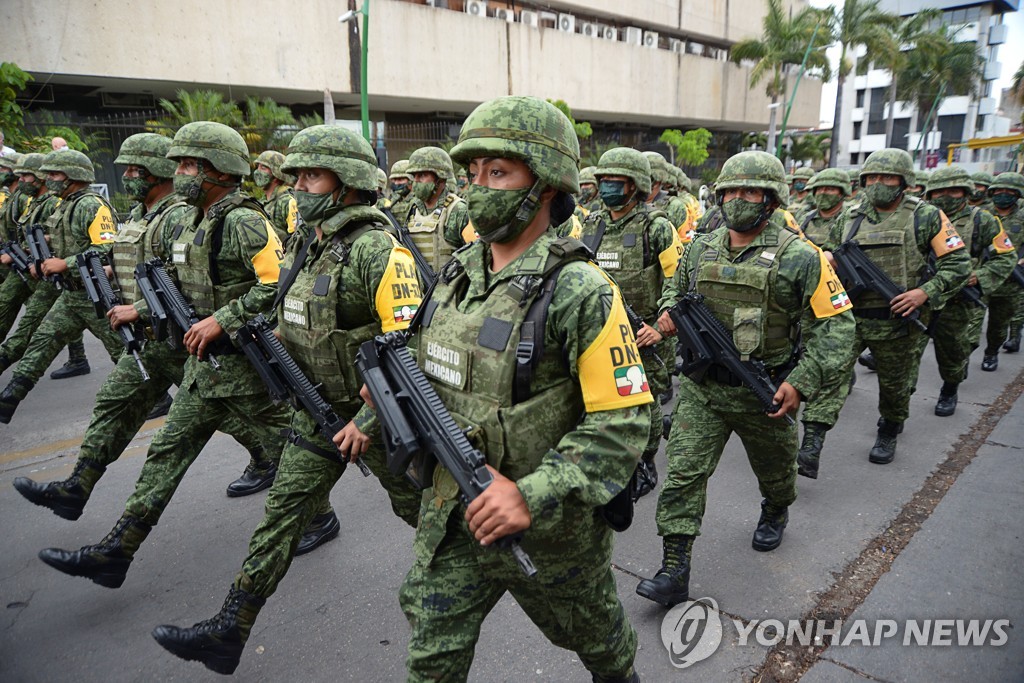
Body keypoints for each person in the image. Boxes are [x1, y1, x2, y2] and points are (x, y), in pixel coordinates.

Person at [390, 96, 652, 682]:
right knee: (430, 658)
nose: (478, 187)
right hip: (455, 513)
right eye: (473, 173)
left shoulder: (581, 290)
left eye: (499, 173)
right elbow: (418, 355)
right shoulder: (458, 273)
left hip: (552, 533)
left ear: (546, 186)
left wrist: (529, 494)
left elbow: (625, 421)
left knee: (605, 652)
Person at [150, 124, 424, 675]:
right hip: (315, 413)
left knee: (427, 514)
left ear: (346, 184)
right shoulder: (308, 242)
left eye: (312, 175)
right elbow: (279, 306)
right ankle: (231, 628)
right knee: (280, 517)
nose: (299, 185)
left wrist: (368, 419)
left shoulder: (379, 251)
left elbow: (408, 346)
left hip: (378, 424)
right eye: (295, 175)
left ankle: (504, 565)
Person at [34, 121, 296, 589]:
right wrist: (137, 309)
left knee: (293, 456)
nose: (180, 173)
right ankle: (117, 551)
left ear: (221, 169)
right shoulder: (195, 218)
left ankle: (318, 518)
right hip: (200, 366)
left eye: (191, 164)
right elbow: (179, 285)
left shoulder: (244, 220)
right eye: (177, 164)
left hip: (244, 370)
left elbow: (278, 284)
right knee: (165, 454)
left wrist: (225, 318)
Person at [637, 150, 855, 608]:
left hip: (765, 392)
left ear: (771, 199)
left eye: (750, 191)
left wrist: (800, 383)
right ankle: (673, 568)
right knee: (681, 477)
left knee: (776, 475)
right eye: (731, 191)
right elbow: (677, 291)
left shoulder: (801, 256)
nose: (738, 199)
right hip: (704, 389)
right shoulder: (700, 246)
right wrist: (666, 319)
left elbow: (836, 327)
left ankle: (775, 510)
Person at [830, 149, 970, 462]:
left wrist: (924, 292)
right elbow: (829, 258)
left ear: (904, 181)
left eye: (887, 177)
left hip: (898, 320)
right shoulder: (849, 217)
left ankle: (890, 428)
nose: (878, 183)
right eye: (872, 177)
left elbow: (959, 264)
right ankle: (814, 436)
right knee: (829, 375)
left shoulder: (926, 215)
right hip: (851, 316)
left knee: (895, 385)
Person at [583, 146, 682, 498]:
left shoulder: (656, 227)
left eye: (616, 181)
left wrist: (664, 322)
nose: (608, 186)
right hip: (601, 331)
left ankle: (645, 461)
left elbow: (678, 277)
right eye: (604, 180)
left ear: (635, 185)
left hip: (645, 333)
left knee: (646, 401)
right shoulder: (591, 223)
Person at [0, 149, 123, 423]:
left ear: (74, 176)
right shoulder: (63, 204)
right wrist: (41, 257)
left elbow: (106, 249)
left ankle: (160, 399)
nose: (50, 179)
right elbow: (61, 238)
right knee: (41, 343)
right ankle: (10, 398)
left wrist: (64, 263)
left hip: (94, 294)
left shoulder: (92, 205)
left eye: (55, 174)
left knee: (122, 351)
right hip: (70, 294)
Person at [924, 165, 1014, 400]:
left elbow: (1006, 257)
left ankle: (950, 388)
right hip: (919, 296)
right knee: (904, 356)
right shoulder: (919, 216)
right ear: (930, 193)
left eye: (954, 191)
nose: (946, 197)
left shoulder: (983, 220)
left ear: (965, 192)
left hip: (956, 300)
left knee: (952, 352)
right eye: (940, 191)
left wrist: (979, 276)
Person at [794, 167, 855, 478]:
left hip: (844, 305)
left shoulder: (852, 222)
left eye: (831, 188)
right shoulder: (802, 220)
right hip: (808, 306)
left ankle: (813, 439)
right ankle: (806, 441)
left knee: (834, 370)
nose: (823, 193)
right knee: (810, 366)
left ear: (844, 191)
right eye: (820, 188)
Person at [401, 146, 471, 278]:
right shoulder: (413, 209)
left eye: (422, 175)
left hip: (448, 293)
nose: (416, 181)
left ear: (440, 178)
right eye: (414, 176)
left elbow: (475, 259)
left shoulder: (457, 210)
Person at [983, 172, 1024, 356]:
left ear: (1017, 194)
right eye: (999, 190)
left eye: (1009, 191)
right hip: (981, 277)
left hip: (1011, 280)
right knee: (970, 326)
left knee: (998, 326)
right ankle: (961, 361)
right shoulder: (982, 214)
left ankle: (992, 352)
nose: (1004, 194)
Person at [252, 149, 297, 245]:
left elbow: (297, 240)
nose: (257, 172)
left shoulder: (287, 201)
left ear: (276, 173)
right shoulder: (263, 202)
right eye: (258, 167)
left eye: (263, 168)